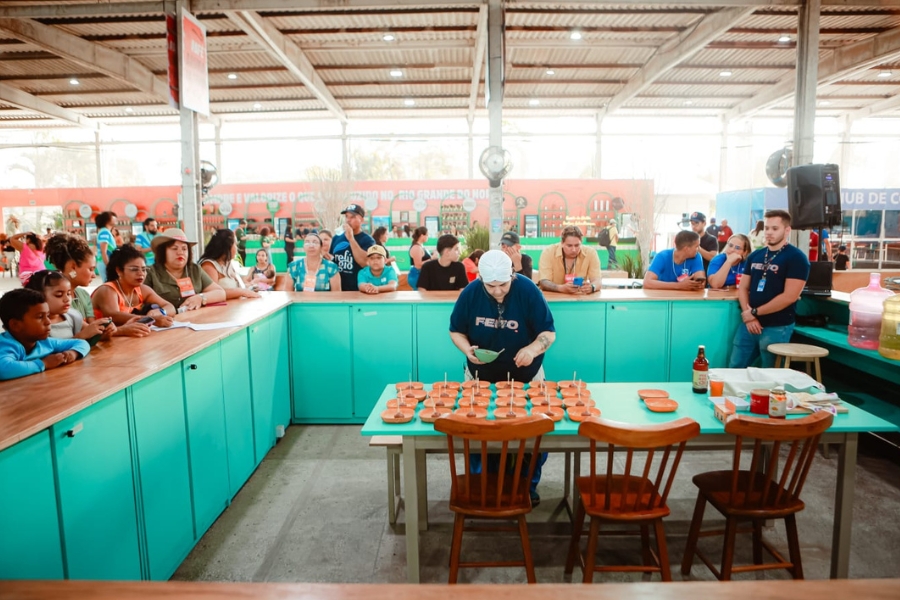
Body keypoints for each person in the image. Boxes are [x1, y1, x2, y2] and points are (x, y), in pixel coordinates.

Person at [448, 250, 556, 504]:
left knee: (530, 437)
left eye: (503, 285)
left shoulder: (528, 291)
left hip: (526, 378)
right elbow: (455, 331)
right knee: (478, 436)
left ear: (512, 275)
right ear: (481, 279)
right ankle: (485, 483)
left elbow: (548, 333)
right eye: (491, 286)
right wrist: (467, 349)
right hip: (480, 378)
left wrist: (533, 349)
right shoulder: (470, 294)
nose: (497, 292)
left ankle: (526, 485)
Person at [729, 209, 810, 369]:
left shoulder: (797, 258)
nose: (769, 233)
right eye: (766, 228)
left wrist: (754, 313)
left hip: (777, 326)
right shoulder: (755, 256)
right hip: (748, 324)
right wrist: (749, 316)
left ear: (787, 230)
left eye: (774, 228)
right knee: (734, 368)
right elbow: (743, 288)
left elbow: (789, 296)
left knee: (770, 373)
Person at [0, 288, 91, 381]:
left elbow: (81, 343)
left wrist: (73, 353)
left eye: (47, 315)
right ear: (15, 325)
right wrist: (44, 364)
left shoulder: (45, 342)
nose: (48, 322)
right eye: (40, 317)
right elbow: (3, 369)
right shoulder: (5, 345)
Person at [92, 245, 175, 330]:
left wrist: (161, 312)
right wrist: (151, 319)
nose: (141, 273)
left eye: (143, 269)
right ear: (119, 271)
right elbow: (114, 317)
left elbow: (170, 307)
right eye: (134, 269)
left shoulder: (142, 289)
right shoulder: (107, 290)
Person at [144, 228, 226, 311]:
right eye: (174, 248)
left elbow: (220, 292)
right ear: (163, 252)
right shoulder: (150, 273)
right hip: (164, 321)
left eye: (184, 249)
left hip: (195, 320)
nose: (180, 252)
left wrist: (200, 298)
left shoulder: (195, 270)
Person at [25, 270, 113, 342]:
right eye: (59, 295)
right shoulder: (38, 324)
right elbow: (48, 351)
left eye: (69, 293)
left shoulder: (72, 316)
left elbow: (91, 334)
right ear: (40, 296)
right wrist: (80, 337)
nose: (67, 299)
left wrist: (104, 331)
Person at [537, 226, 601, 294]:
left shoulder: (591, 253)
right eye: (569, 246)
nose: (573, 250)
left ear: (581, 242)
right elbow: (543, 282)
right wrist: (561, 288)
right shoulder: (548, 252)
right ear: (562, 243)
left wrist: (592, 287)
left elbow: (597, 280)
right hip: (553, 299)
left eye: (577, 245)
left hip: (579, 298)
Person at [199, 229, 261, 300]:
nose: (237, 248)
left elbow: (235, 288)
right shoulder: (209, 266)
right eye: (235, 244)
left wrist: (249, 287)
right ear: (226, 247)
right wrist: (242, 292)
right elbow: (212, 294)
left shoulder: (228, 263)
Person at [330, 205, 375, 292]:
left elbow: (364, 262)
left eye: (352, 217)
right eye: (346, 216)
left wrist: (351, 239)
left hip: (359, 290)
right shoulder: (336, 238)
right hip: (339, 290)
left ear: (361, 220)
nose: (348, 220)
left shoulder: (368, 240)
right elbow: (331, 261)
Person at [95, 211, 117, 282]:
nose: (115, 218)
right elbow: (103, 251)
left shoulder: (106, 231)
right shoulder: (104, 232)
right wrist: (109, 266)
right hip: (104, 262)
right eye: (112, 217)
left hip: (105, 262)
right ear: (107, 220)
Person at [407, 226, 431, 290]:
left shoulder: (421, 246)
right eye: (427, 235)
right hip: (417, 276)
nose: (428, 237)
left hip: (422, 275)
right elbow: (418, 265)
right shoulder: (416, 248)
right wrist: (431, 259)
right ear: (422, 235)